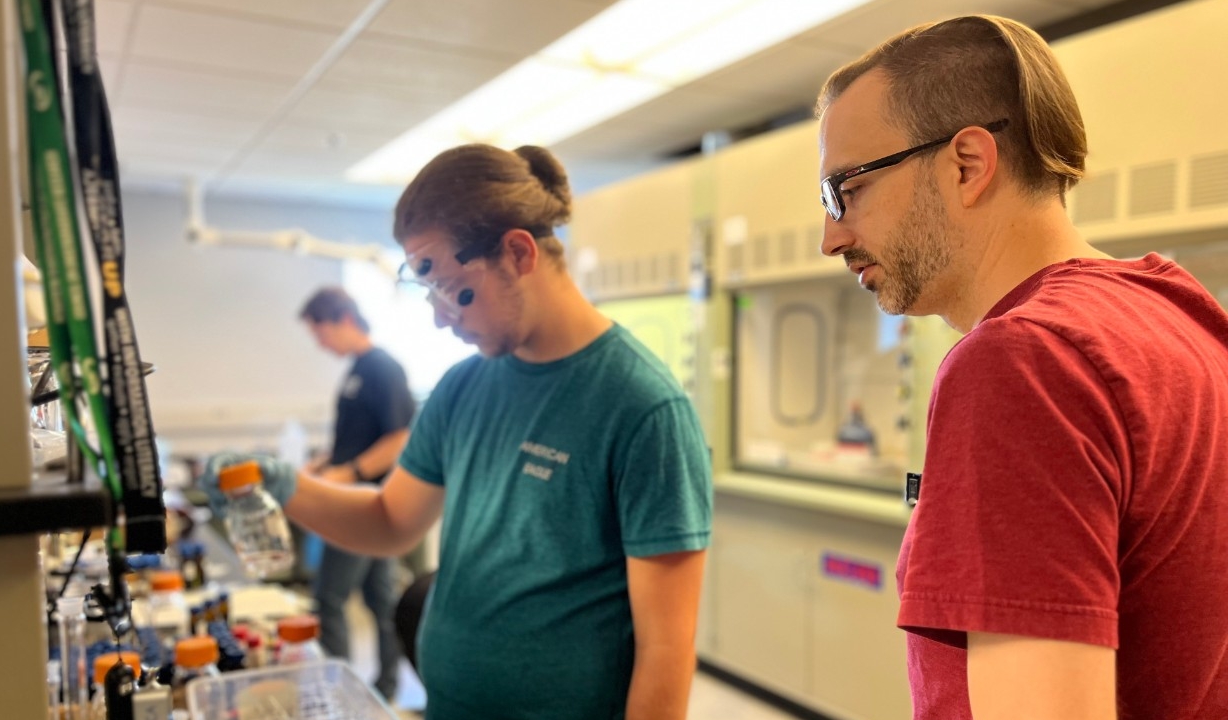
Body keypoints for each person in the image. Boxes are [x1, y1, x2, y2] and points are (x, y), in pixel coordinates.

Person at [204, 145, 713, 720]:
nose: (440, 316)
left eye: (447, 286)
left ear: (518, 253)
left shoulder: (643, 408)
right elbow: (391, 521)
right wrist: (284, 486)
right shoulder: (463, 387)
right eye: (426, 290)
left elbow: (666, 650)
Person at [814, 15, 1228, 720]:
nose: (832, 238)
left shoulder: (1021, 362)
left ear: (967, 164)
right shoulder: (1183, 317)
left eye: (845, 190)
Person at [298, 287, 416, 701]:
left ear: (344, 319)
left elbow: (399, 436)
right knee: (380, 601)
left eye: (322, 333)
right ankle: (383, 692)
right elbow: (356, 438)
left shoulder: (383, 368)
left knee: (328, 599)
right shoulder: (356, 370)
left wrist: (348, 473)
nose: (321, 343)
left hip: (364, 505)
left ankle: (338, 698)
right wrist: (320, 465)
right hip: (355, 495)